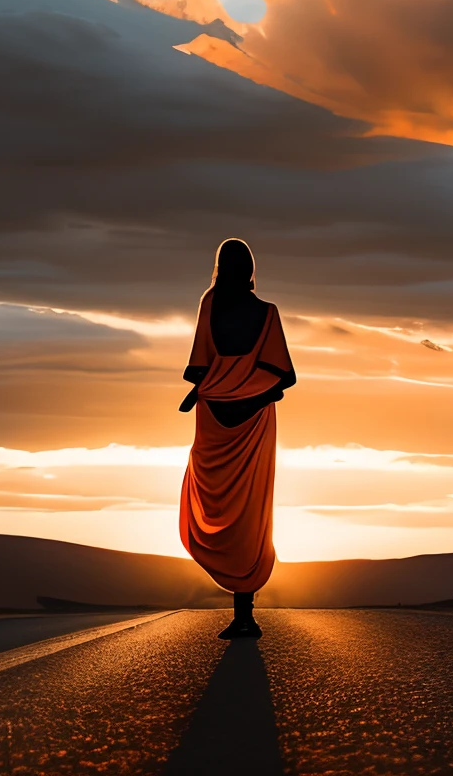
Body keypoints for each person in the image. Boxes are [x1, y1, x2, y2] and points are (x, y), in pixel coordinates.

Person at [178, 237, 297, 638]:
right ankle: (244, 615)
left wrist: (206, 393)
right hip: (256, 420)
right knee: (252, 512)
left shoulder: (209, 304)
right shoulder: (267, 313)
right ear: (249, 269)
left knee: (214, 505)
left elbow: (200, 367)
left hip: (212, 416)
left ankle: (241, 615)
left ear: (219, 267)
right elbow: (286, 378)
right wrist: (257, 393)